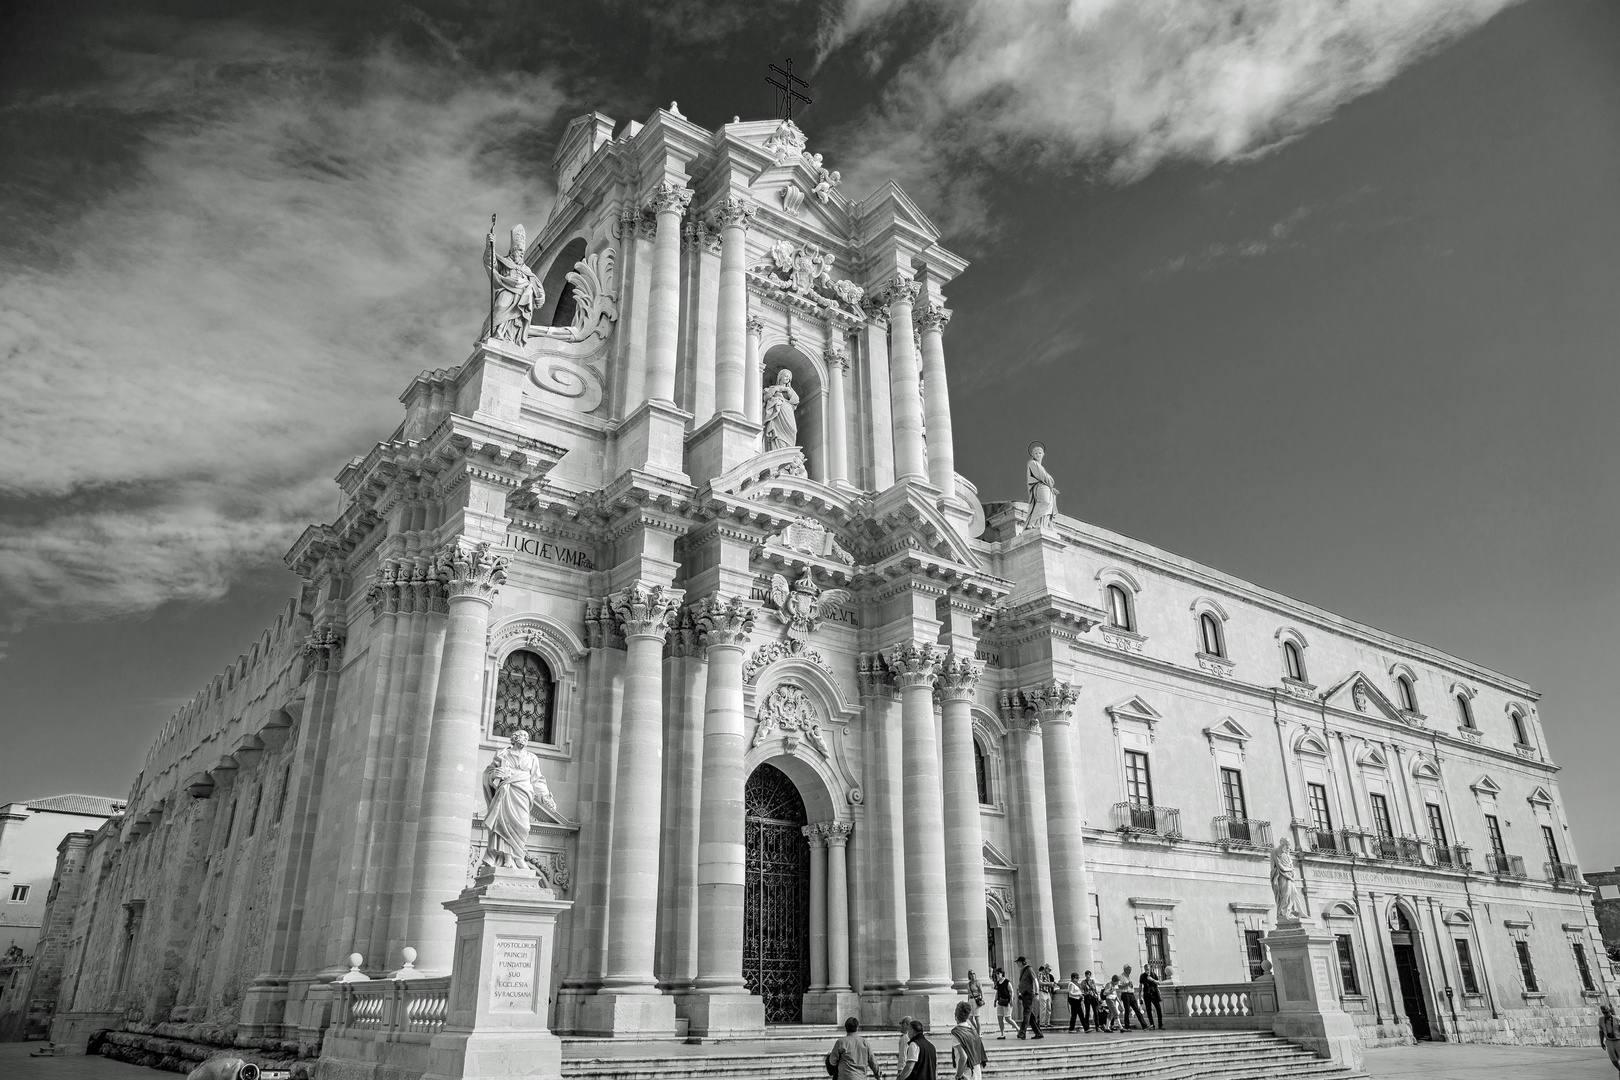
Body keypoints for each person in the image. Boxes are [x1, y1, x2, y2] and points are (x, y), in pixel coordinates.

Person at [949, 1000, 990, 1080]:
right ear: (968, 1016)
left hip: (966, 1073)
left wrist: (958, 1075)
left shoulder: (956, 1033)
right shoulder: (973, 1031)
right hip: (976, 1072)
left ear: (955, 1015)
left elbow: (963, 1057)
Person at [762, 368, 800, 450]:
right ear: (780, 377)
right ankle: (777, 448)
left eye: (789, 377)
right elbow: (765, 397)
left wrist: (786, 389)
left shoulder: (790, 390)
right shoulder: (773, 388)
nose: (787, 378)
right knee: (778, 434)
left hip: (788, 412)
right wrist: (776, 389)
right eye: (786, 376)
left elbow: (796, 400)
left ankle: (789, 448)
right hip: (777, 413)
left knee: (793, 429)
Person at [1025, 442, 1059, 530]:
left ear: (1043, 454)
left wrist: (1051, 487)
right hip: (1040, 486)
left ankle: (1043, 524)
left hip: (1046, 487)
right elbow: (1042, 476)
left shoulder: (1040, 466)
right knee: (1044, 502)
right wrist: (1050, 482)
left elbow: (1045, 476)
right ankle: (1032, 523)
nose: (1038, 455)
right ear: (1032, 455)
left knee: (1048, 505)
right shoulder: (1032, 463)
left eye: (1040, 453)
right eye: (1036, 453)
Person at [1015, 956, 1043, 1039]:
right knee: (1030, 1015)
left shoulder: (1029, 969)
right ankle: (1038, 1033)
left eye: (1018, 962)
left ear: (1022, 962)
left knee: (1026, 1013)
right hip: (1024, 994)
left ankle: (1022, 1032)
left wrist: (1037, 993)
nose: (1017, 964)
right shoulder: (1023, 970)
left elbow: (1035, 980)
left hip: (1028, 994)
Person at [1119, 965, 1149, 1031]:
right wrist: (1127, 984)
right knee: (1127, 1011)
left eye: (1130, 970)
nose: (1130, 971)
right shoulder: (1121, 976)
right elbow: (1119, 986)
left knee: (1137, 1010)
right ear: (1125, 970)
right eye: (1129, 970)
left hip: (1131, 994)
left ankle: (1144, 1025)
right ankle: (1127, 1027)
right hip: (1125, 994)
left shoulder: (1129, 976)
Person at [1139, 965, 1163, 1031]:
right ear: (1144, 969)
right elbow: (1140, 986)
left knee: (1158, 1009)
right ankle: (1152, 1025)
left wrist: (1152, 980)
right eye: (1146, 969)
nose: (1147, 970)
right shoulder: (1142, 976)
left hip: (1154, 994)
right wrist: (1139, 996)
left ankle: (1160, 1025)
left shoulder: (1153, 974)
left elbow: (1159, 983)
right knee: (1148, 1010)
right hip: (1147, 994)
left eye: (1148, 969)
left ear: (1150, 969)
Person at [993, 968, 1012, 1039]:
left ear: (1002, 973)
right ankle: (1002, 1033)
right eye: (996, 974)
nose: (997, 975)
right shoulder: (998, 983)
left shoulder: (1007, 982)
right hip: (1000, 1001)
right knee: (999, 1017)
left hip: (1006, 1001)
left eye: (998, 973)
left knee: (1007, 1018)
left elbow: (1011, 991)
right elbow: (997, 992)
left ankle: (1018, 1028)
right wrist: (995, 1001)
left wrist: (1011, 1000)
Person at [1600, 1004, 1620, 1075]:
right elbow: (1601, 1031)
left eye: (1606, 1012)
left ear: (1610, 1012)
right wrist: (1601, 1042)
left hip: (1618, 1041)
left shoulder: (1617, 1019)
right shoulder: (1601, 1020)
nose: (1605, 1014)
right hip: (1609, 1041)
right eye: (1603, 1013)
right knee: (1613, 1059)